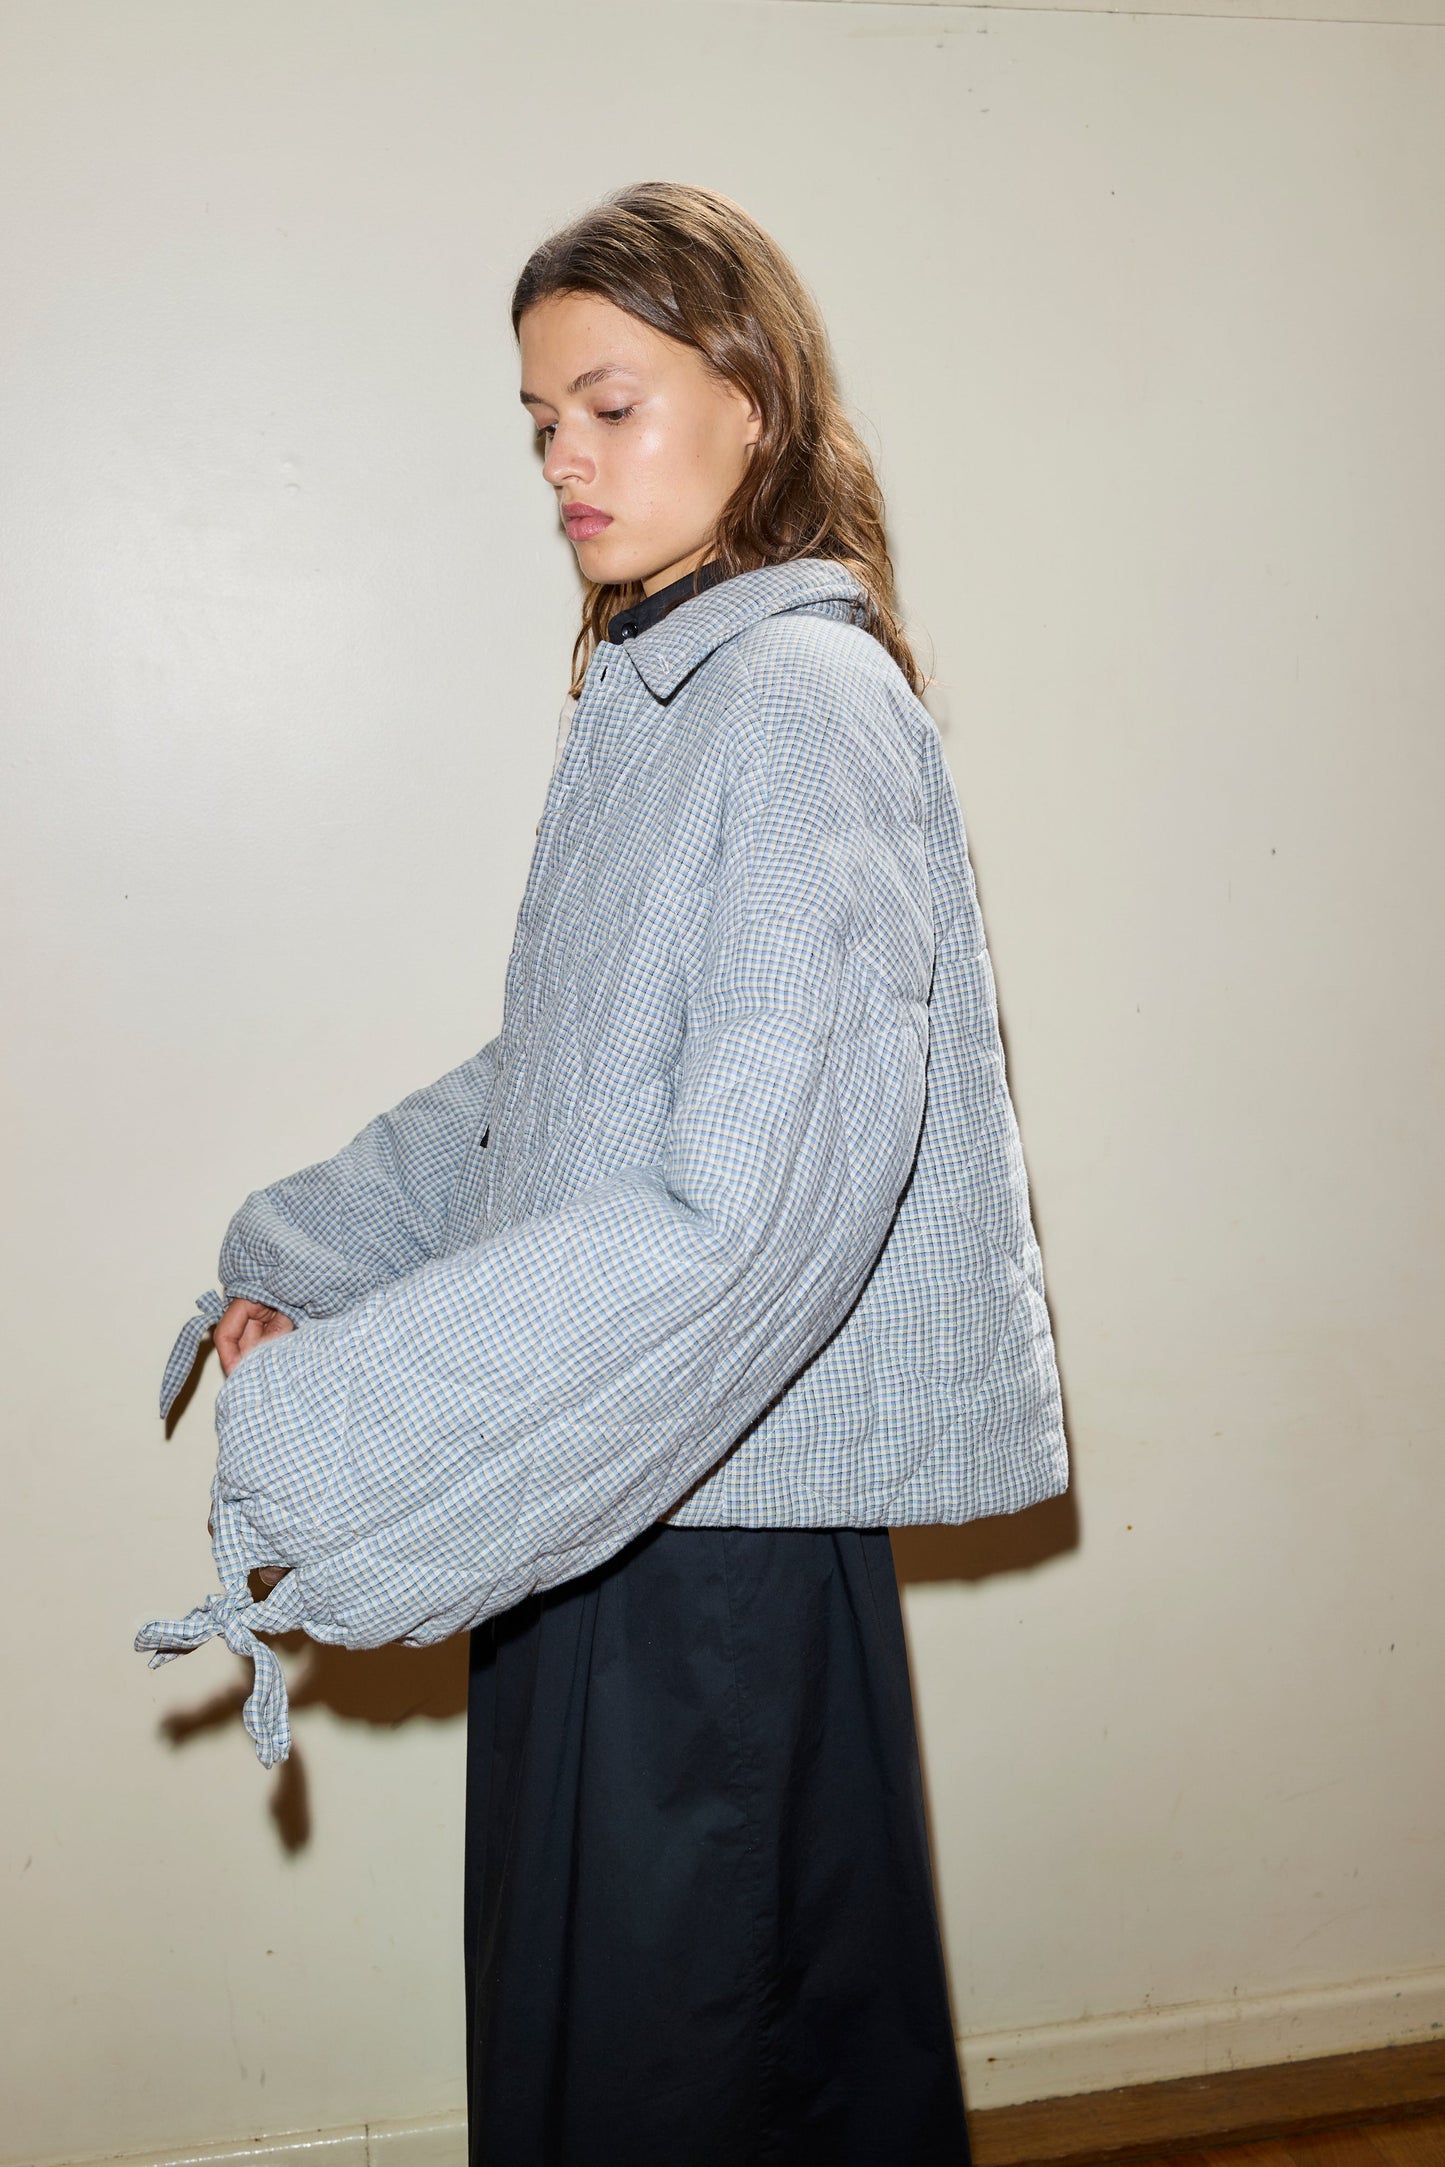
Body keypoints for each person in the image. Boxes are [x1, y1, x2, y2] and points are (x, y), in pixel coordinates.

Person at [154, 182, 1068, 2164]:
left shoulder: (799, 706)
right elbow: (551, 1085)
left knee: (699, 2083)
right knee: (631, 2066)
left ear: (753, 395)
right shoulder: (669, 696)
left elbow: (739, 1214)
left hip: (710, 1538)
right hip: (629, 1486)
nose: (564, 457)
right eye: (538, 421)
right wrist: (304, 1263)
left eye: (610, 404)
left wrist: (340, 1414)